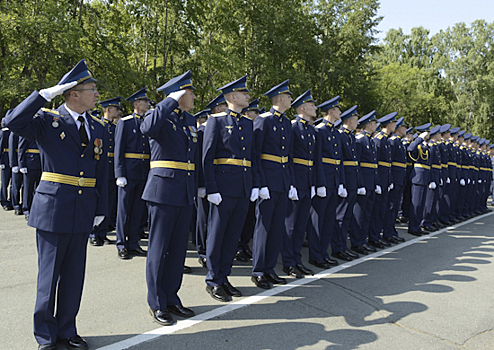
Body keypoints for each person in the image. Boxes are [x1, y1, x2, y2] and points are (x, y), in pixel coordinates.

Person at [3, 59, 108, 350]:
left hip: (83, 207)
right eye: (92, 89)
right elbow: (12, 121)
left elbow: (103, 174)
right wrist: (43, 95)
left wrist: (102, 210)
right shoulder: (48, 121)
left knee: (74, 276)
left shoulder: (98, 127)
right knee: (48, 278)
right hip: (53, 209)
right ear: (73, 93)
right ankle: (46, 336)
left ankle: (67, 329)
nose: (97, 94)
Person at [141, 70, 199, 326]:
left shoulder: (190, 120)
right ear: (179, 94)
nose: (195, 96)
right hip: (163, 191)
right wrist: (170, 101)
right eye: (191, 92)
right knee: (159, 249)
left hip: (184, 190)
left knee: (177, 251)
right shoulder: (161, 117)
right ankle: (156, 302)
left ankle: (171, 297)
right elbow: (147, 127)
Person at [202, 75, 256, 302]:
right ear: (233, 97)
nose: (248, 96)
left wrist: (253, 185)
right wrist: (210, 188)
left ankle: (224, 276)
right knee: (218, 235)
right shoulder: (215, 121)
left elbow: (252, 158)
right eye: (244, 94)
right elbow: (207, 157)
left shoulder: (247, 123)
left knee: (233, 236)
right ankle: (213, 280)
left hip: (242, 187)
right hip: (223, 188)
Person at [251, 80, 294, 288]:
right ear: (279, 99)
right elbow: (256, 154)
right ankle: (258, 270)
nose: (291, 100)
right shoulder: (263, 120)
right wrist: (260, 183)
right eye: (288, 96)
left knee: (277, 228)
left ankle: (269, 269)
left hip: (282, 181)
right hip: (268, 181)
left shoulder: (286, 122)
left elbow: (289, 156)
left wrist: (291, 182)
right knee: (264, 228)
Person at [281, 89, 317, 277]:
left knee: (301, 224)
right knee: (291, 224)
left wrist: (314, 184)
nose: (315, 108)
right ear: (302, 108)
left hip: (307, 182)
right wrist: (292, 184)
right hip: (296, 181)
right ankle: (288, 262)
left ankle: (296, 259)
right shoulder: (293, 127)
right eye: (312, 105)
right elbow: (289, 156)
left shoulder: (310, 129)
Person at [114, 87, 150, 259]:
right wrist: (119, 173)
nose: (148, 104)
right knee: (124, 210)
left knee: (138, 210)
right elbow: (118, 150)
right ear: (136, 104)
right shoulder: (125, 122)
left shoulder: (148, 122)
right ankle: (121, 243)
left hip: (143, 171)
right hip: (128, 171)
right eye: (145, 101)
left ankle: (134, 243)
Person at [309, 96, 345, 268]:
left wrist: (341, 183)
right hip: (323, 181)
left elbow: (339, 161)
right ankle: (315, 255)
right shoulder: (320, 130)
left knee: (329, 219)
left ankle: (323, 253)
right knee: (318, 219)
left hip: (334, 181)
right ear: (331, 111)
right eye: (338, 109)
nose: (340, 112)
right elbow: (317, 160)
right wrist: (320, 183)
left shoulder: (335, 132)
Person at [196, 93, 227, 268]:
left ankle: (212, 250)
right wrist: (202, 184)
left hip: (219, 180)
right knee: (203, 218)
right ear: (216, 109)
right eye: (223, 106)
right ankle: (202, 250)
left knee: (214, 220)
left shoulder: (222, 126)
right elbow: (202, 159)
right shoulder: (203, 130)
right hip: (206, 180)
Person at [89, 97, 122, 246]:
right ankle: (93, 233)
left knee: (107, 202)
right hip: (100, 168)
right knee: (96, 200)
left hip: (110, 170)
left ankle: (102, 232)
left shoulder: (114, 128)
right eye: (116, 109)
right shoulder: (98, 126)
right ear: (108, 109)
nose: (119, 111)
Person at [331, 105, 362, 261]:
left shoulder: (350, 136)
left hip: (352, 179)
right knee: (341, 216)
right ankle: (338, 247)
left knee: (347, 215)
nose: (358, 123)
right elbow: (341, 162)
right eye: (356, 120)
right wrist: (342, 182)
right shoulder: (342, 136)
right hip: (345, 179)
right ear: (349, 121)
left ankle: (343, 246)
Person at [351, 111, 381, 253]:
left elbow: (374, 165)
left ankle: (363, 240)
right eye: (374, 123)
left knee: (367, 213)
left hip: (371, 182)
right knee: (359, 214)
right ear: (368, 124)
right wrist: (360, 183)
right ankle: (356, 242)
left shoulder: (370, 140)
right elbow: (357, 164)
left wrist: (376, 182)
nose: (376, 126)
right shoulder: (360, 140)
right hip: (363, 182)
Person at [236, 98, 261, 263]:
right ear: (247, 113)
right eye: (255, 112)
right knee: (238, 219)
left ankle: (244, 245)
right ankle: (237, 247)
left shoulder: (252, 128)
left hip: (249, 180)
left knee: (249, 217)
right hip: (234, 180)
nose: (258, 115)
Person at [382, 116, 407, 242]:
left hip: (398, 178)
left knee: (395, 206)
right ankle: (387, 232)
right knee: (391, 207)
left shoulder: (397, 142)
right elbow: (389, 162)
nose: (406, 129)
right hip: (393, 177)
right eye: (404, 127)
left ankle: (391, 231)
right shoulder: (392, 141)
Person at [407, 123, 431, 236]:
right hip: (417, 177)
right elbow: (410, 149)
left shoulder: (426, 146)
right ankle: (412, 226)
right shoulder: (418, 144)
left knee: (421, 204)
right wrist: (419, 138)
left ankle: (417, 226)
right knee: (416, 204)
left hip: (424, 177)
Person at [18, 135, 42, 220]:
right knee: (28, 188)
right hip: (30, 164)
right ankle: (27, 209)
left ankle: (37, 209)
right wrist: (22, 164)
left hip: (41, 164)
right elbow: (21, 148)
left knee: (39, 189)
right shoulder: (27, 132)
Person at [8, 131, 23, 215]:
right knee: (16, 186)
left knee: (25, 186)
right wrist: (13, 164)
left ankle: (24, 204)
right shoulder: (14, 133)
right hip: (17, 163)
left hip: (25, 162)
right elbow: (12, 149)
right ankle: (16, 205)